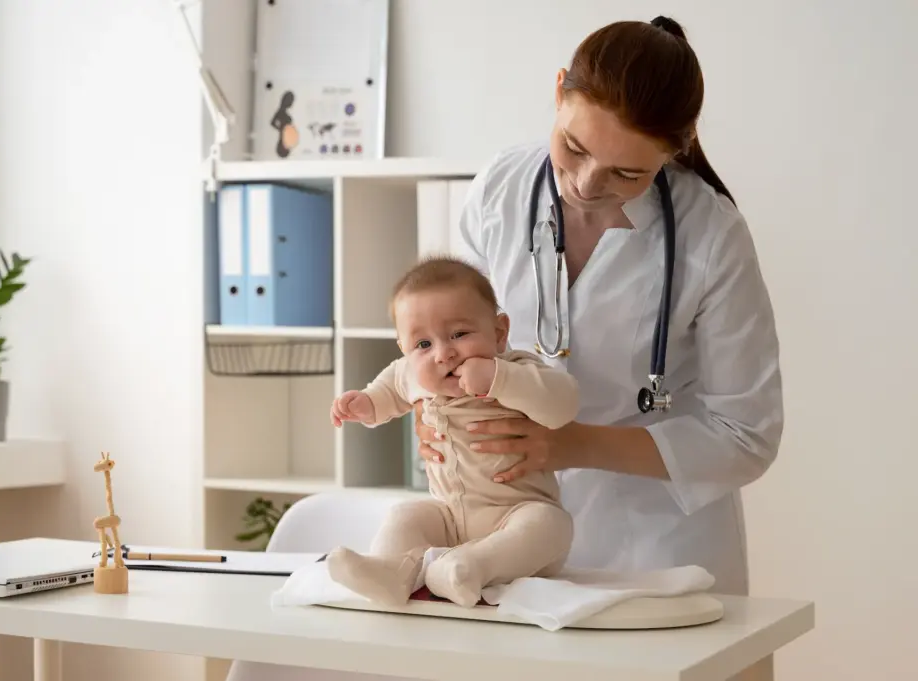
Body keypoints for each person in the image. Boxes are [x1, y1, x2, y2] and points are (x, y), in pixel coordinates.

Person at [226, 14, 781, 681]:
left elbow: (747, 433)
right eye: (573, 147)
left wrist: (571, 442)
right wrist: (433, 423)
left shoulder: (710, 236)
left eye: (626, 173)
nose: (585, 183)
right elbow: (449, 328)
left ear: (679, 144)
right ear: (556, 93)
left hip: (656, 543)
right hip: (493, 540)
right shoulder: (502, 188)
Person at [326, 256, 580, 608]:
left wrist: (498, 380)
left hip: (517, 513)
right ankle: (391, 572)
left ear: (499, 332)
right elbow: (388, 392)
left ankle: (470, 568)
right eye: (423, 345)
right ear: (404, 349)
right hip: (450, 520)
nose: (444, 354)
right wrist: (365, 404)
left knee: (552, 524)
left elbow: (562, 403)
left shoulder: (515, 369)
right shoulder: (410, 373)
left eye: (459, 334)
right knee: (407, 516)